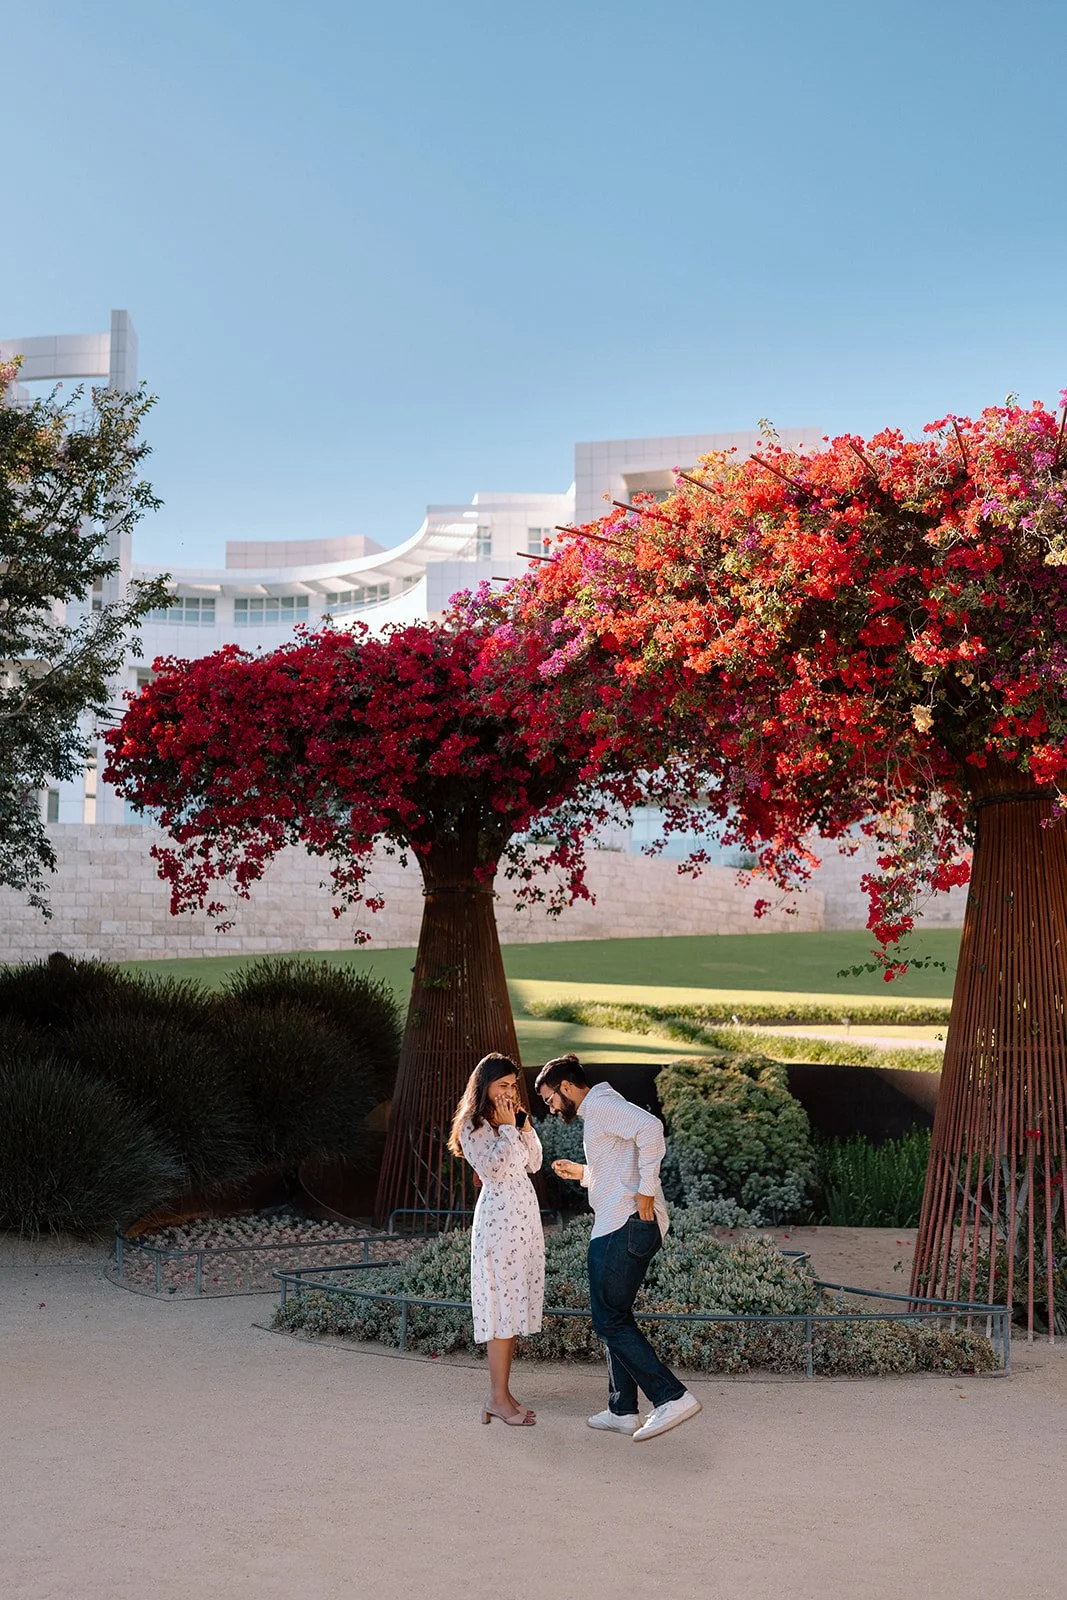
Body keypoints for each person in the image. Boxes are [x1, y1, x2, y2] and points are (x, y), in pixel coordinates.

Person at [535, 1053, 701, 1442]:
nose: (551, 1107)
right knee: (615, 1315)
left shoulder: (603, 1107)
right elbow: (617, 1167)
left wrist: (646, 1191)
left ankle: (671, 1397)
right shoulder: (601, 1111)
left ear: (566, 1087)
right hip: (620, 1224)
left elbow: (651, 1128)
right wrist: (583, 1173)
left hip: (623, 1225)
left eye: (550, 1099)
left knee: (609, 1319)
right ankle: (622, 1410)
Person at [448, 1052, 545, 1427]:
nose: (508, 1092)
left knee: (515, 1304)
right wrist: (506, 1129)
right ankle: (495, 1398)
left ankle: (502, 1393)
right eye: (502, 1085)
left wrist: (522, 1127)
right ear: (484, 1085)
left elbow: (534, 1162)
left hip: (524, 1222)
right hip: (499, 1224)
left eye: (512, 1086)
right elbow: (494, 1169)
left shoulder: (512, 1121)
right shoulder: (472, 1127)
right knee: (502, 1307)